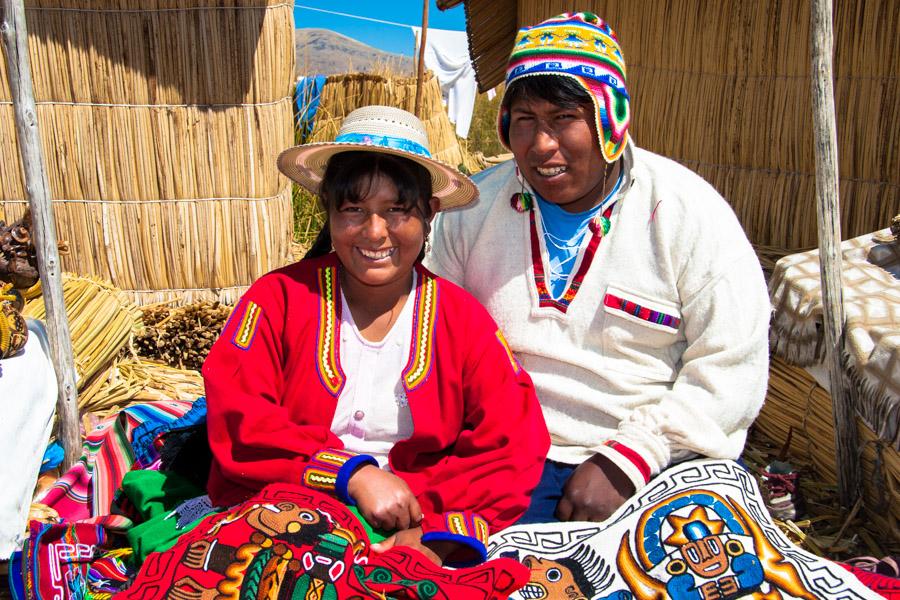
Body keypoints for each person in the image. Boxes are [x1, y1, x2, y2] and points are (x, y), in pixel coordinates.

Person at [426, 13, 770, 523]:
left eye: (564, 119)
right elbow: (432, 330)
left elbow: (731, 365)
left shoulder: (684, 211)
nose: (542, 145)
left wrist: (630, 458)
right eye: (525, 121)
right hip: (506, 448)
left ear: (609, 119)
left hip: (659, 457)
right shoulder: (473, 211)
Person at [202, 105, 550, 567]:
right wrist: (352, 475)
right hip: (284, 510)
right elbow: (241, 415)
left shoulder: (462, 321)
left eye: (396, 211)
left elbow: (512, 441)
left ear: (428, 214)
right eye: (353, 210)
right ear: (329, 211)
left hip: (415, 526)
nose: (374, 232)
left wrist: (432, 527)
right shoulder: (277, 300)